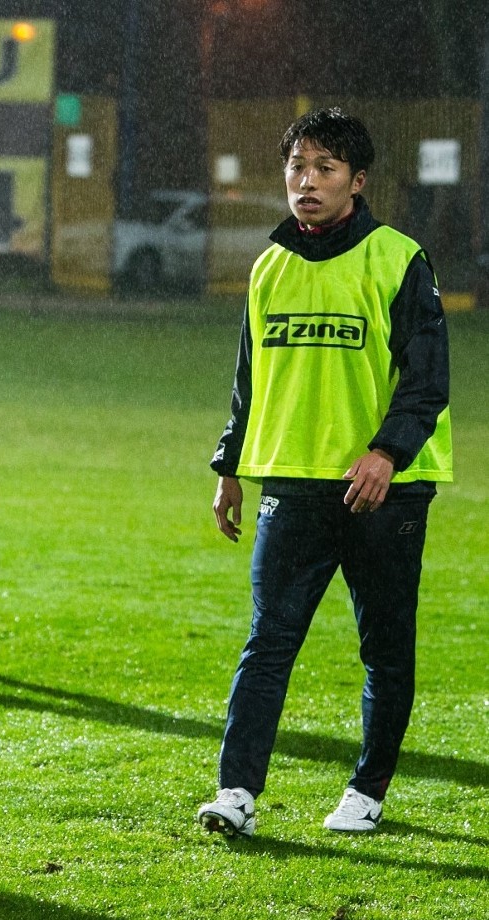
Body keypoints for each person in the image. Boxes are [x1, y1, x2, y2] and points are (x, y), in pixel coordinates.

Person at [198, 108, 452, 836]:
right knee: (268, 641)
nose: (306, 183)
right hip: (293, 484)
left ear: (358, 180)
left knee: (384, 646)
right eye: (296, 168)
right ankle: (237, 793)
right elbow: (250, 380)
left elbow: (428, 378)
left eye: (325, 170)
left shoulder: (398, 258)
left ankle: (368, 790)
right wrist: (230, 466)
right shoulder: (270, 265)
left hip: (385, 489)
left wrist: (387, 452)